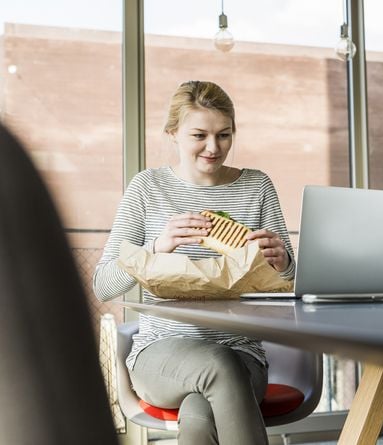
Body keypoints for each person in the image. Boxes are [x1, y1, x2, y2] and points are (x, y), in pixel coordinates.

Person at [93, 80, 295, 445]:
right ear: (173, 133)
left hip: (243, 354)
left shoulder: (257, 187)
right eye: (199, 135)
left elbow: (292, 284)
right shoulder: (147, 188)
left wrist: (283, 264)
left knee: (200, 415)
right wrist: (156, 247)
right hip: (161, 355)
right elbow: (103, 285)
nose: (213, 147)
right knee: (219, 365)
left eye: (224, 135)